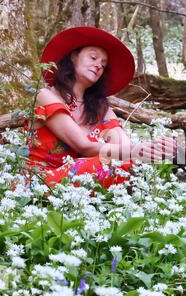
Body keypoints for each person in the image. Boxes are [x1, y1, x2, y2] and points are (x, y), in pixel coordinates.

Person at [23, 27, 175, 189]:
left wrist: (156, 148)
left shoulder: (101, 108)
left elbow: (124, 147)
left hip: (79, 183)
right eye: (93, 57)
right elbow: (83, 146)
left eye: (103, 64)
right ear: (74, 57)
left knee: (126, 162)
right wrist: (136, 151)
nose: (98, 66)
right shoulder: (45, 96)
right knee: (109, 162)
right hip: (40, 181)